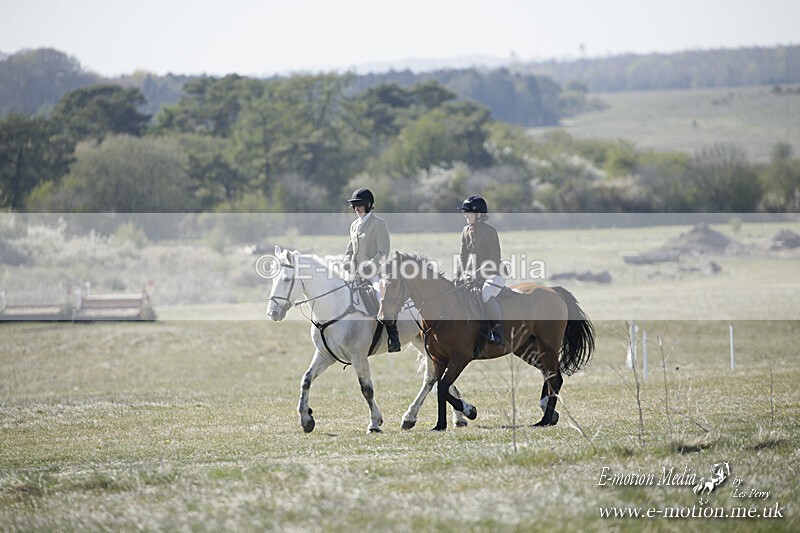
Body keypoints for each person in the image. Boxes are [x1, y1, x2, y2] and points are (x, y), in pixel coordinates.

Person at [344, 187, 401, 352]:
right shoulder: (354, 225)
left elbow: (383, 251)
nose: (357, 209)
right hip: (355, 273)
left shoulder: (378, 224)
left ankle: (393, 338)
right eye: (355, 206)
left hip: (374, 273)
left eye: (360, 205)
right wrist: (346, 261)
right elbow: (350, 249)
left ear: (368, 205)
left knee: (381, 297)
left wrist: (369, 265)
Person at [457, 195, 506, 345]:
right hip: (476, 276)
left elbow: (495, 259)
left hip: (495, 273)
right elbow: (463, 257)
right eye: (465, 212)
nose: (465, 215)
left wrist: (476, 274)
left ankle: (497, 333)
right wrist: (460, 275)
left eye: (468, 212)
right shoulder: (465, 231)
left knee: (485, 294)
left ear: (478, 214)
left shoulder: (490, 231)